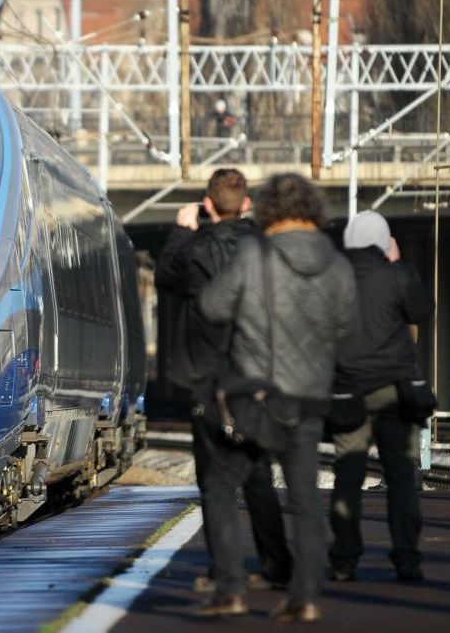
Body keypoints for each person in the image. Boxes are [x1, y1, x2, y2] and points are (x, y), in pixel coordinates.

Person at [199, 173, 359, 623]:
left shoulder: (254, 254)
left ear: (266, 208)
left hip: (256, 398)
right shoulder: (337, 263)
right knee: (305, 498)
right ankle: (304, 597)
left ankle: (230, 589)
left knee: (220, 486)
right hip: (308, 399)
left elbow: (211, 306)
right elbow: (349, 332)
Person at [154, 169, 293, 615]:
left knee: (214, 481)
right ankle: (276, 564)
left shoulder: (195, 250)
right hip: (258, 379)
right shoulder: (267, 248)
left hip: (210, 382)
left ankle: (224, 575)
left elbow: (165, 277)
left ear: (208, 204)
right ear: (247, 204)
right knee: (258, 475)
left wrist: (182, 230)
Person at [328, 210, 434, 584]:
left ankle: (344, 560)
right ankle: (407, 559)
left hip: (347, 390)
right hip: (394, 390)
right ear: (383, 242)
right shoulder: (397, 275)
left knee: (347, 475)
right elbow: (422, 310)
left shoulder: (333, 278)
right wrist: (398, 263)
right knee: (401, 476)